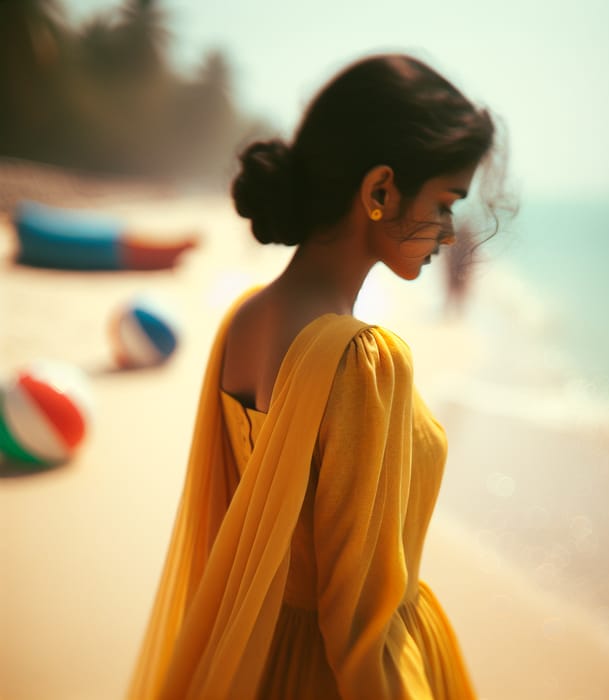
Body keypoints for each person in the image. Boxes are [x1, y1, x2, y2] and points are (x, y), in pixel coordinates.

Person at [128, 53, 504, 699]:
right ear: (381, 191)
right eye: (445, 203)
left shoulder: (244, 320)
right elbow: (360, 622)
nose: (447, 232)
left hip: (253, 652)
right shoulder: (363, 361)